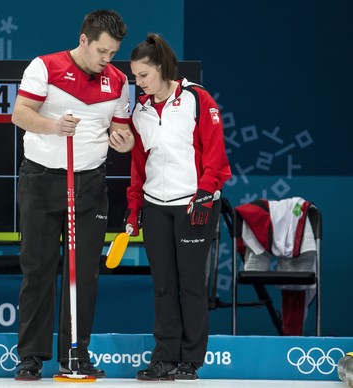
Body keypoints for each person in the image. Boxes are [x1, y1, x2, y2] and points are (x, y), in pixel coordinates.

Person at [11, 9, 134, 381]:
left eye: (113, 53)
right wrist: (53, 125)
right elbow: (20, 113)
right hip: (42, 180)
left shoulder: (118, 81)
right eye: (101, 51)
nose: (107, 60)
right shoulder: (45, 67)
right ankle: (32, 356)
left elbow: (122, 132)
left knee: (83, 275)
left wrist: (123, 141)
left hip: (90, 184)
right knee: (38, 269)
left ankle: (75, 356)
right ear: (84, 40)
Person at [125, 33, 231, 381]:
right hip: (156, 206)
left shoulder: (198, 99)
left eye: (143, 75)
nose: (137, 83)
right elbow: (139, 164)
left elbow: (216, 154)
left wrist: (205, 192)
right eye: (135, 76)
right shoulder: (140, 108)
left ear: (162, 68)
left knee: (190, 284)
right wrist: (133, 208)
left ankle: (191, 359)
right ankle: (164, 357)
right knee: (163, 285)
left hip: (194, 204)